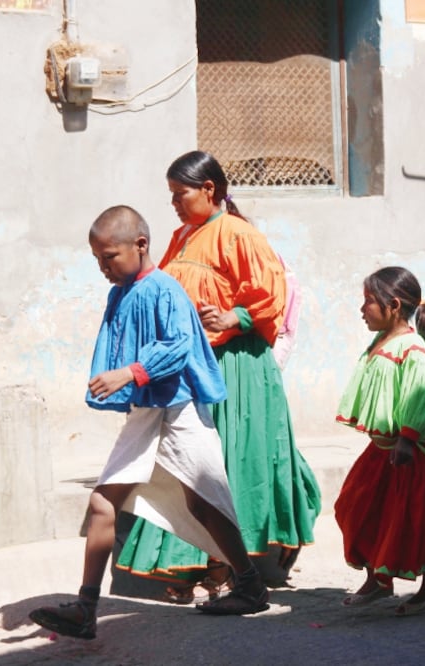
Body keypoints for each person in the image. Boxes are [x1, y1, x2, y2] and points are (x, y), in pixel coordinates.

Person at [29, 206, 269, 640]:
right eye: (98, 260)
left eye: (110, 257)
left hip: (181, 411)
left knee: (206, 501)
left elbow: (177, 347)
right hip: (147, 413)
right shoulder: (120, 292)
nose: (103, 267)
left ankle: (249, 584)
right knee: (102, 503)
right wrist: (121, 384)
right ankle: (86, 608)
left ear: (141, 246)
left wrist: (129, 374)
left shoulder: (166, 290)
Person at [115, 151, 321, 601]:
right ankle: (197, 563)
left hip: (235, 366)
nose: (173, 203)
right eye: (170, 195)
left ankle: (227, 568)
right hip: (192, 365)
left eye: (179, 194)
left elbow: (270, 294)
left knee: (227, 463)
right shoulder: (181, 237)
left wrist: (234, 316)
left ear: (209, 190)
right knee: (192, 465)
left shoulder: (239, 234)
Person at [334, 267, 425, 616]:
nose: (362, 310)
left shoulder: (413, 348)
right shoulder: (383, 341)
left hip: (412, 452)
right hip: (384, 449)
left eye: (368, 303)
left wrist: (408, 438)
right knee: (357, 505)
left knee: (419, 517)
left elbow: (422, 392)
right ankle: (379, 578)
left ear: (392, 305)